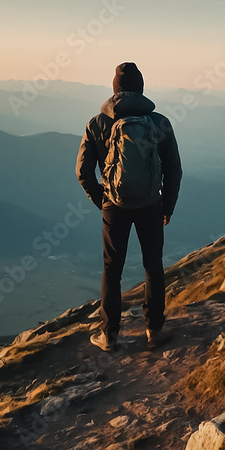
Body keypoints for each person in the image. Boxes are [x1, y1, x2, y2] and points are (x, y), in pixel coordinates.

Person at [76, 62, 182, 352]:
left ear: (114, 90)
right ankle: (154, 331)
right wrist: (167, 206)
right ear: (141, 88)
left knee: (112, 269)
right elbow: (174, 169)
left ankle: (109, 336)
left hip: (114, 205)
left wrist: (102, 200)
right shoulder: (160, 123)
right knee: (153, 266)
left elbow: (83, 172)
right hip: (151, 203)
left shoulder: (97, 123)